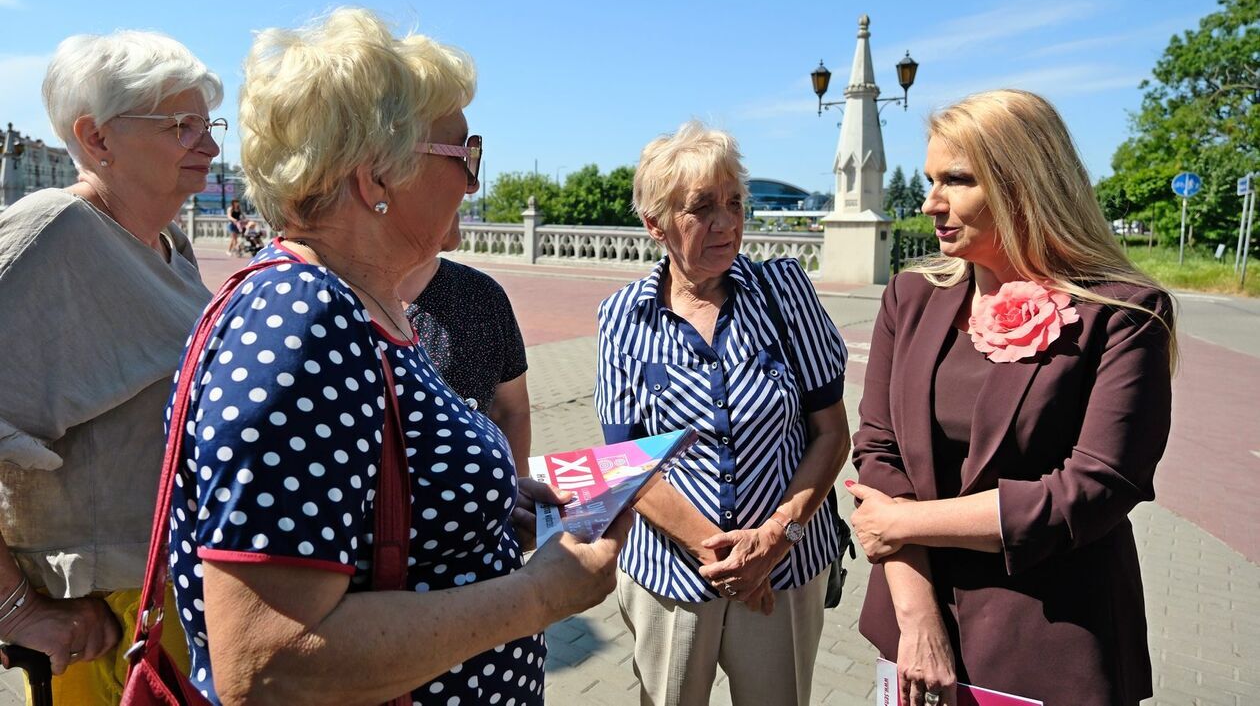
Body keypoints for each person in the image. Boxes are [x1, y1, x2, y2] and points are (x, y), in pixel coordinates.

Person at [166, 7, 625, 706]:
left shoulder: (356, 304)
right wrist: (536, 596)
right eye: (463, 154)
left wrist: (495, 503)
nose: (474, 181)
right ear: (375, 176)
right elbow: (266, 662)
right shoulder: (301, 322)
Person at [847, 89, 1176, 706]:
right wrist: (917, 619)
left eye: (957, 180)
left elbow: (1095, 489)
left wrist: (907, 521)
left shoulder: (1122, 312)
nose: (930, 203)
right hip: (914, 620)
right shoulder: (911, 299)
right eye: (930, 179)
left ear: (1023, 185)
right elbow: (879, 451)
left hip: (1050, 638)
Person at [0, 30, 223, 704]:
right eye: (181, 126)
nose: (210, 146)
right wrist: (17, 609)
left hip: (174, 597)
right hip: (102, 629)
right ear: (96, 139)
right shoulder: (52, 231)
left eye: (208, 125)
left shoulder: (171, 243)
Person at [595, 121, 851, 706]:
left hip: (784, 569)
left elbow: (832, 434)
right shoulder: (622, 316)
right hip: (673, 576)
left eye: (734, 203)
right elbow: (624, 460)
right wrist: (723, 554)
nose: (727, 223)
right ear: (655, 223)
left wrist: (774, 539)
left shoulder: (784, 293)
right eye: (702, 207)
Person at [400, 213, 532, 473]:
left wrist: (517, 489)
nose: (466, 191)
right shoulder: (333, 297)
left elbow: (511, 411)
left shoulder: (481, 294)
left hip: (478, 508)